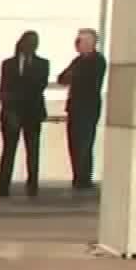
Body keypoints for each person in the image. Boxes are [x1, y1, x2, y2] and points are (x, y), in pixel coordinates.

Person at [0, 30, 50, 199]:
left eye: (35, 42)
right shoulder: (8, 64)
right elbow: (5, 88)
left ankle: (32, 187)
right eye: (29, 42)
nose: (31, 46)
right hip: (12, 113)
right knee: (8, 150)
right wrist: (10, 110)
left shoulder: (42, 64)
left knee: (33, 150)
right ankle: (2, 187)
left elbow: (39, 86)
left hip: (32, 112)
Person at [57, 28, 106, 191]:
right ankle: (78, 176)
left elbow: (86, 80)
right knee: (74, 143)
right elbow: (62, 78)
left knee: (85, 143)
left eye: (81, 41)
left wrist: (74, 75)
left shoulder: (97, 60)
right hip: (74, 107)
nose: (77, 45)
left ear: (90, 43)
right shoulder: (77, 61)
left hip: (88, 108)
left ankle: (84, 178)